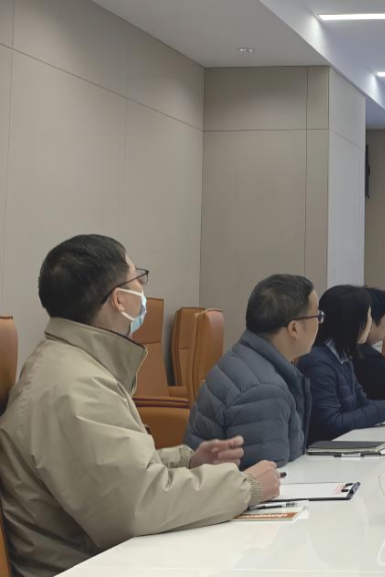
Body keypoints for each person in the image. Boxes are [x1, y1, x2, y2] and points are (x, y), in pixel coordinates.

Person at [0, 235, 280, 577]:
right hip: (89, 566)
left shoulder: (70, 366)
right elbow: (137, 507)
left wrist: (188, 461)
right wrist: (245, 487)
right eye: (138, 279)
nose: (143, 291)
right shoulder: (74, 387)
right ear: (119, 299)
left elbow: (113, 474)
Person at [185, 274, 318, 470]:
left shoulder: (244, 357)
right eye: (317, 316)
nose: (320, 323)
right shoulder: (265, 391)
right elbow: (267, 480)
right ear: (294, 328)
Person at [298, 285, 385, 441]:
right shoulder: (318, 363)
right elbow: (331, 424)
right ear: (354, 322)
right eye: (368, 316)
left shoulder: (342, 357)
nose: (370, 322)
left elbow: (362, 403)